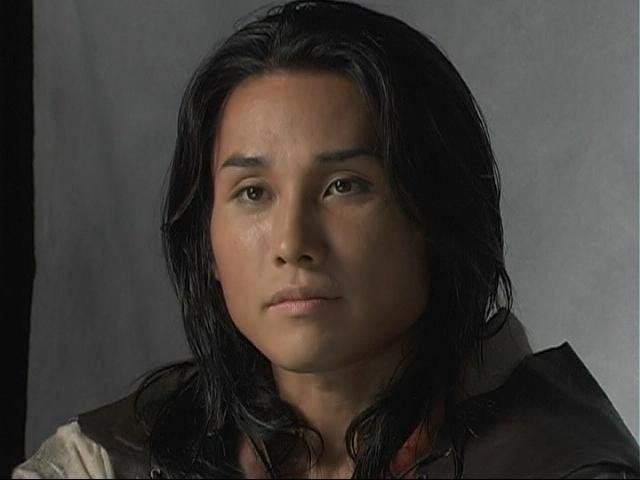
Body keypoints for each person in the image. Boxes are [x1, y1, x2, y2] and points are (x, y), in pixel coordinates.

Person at [14, 1, 639, 478]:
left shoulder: (558, 461)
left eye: (344, 186)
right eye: (252, 192)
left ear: (438, 215)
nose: (292, 242)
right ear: (205, 241)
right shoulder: (103, 461)